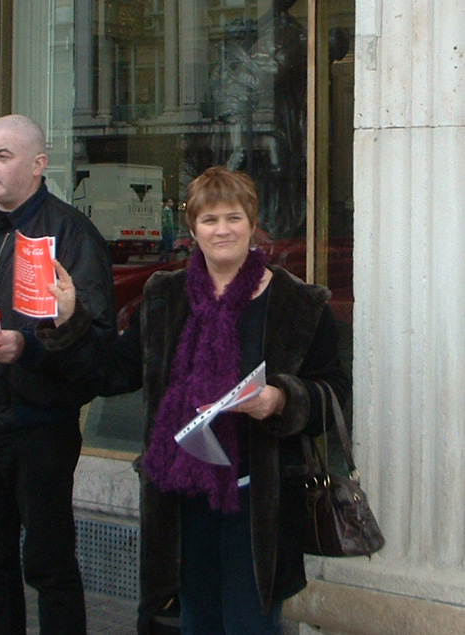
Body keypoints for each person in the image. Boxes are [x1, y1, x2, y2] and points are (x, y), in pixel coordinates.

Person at [38, 166, 350, 634]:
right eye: (210, 220)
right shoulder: (164, 298)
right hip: (181, 502)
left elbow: (334, 393)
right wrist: (70, 320)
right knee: (196, 623)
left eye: (234, 217)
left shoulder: (297, 304)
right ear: (193, 230)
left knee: (250, 627)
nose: (222, 230)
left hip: (258, 504)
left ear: (253, 224)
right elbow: (113, 371)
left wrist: (281, 399)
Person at [0, 114, 116, 635]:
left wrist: (27, 348)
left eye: (2, 156)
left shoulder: (71, 233)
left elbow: (96, 342)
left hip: (38, 422)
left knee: (49, 563)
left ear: (38, 165)